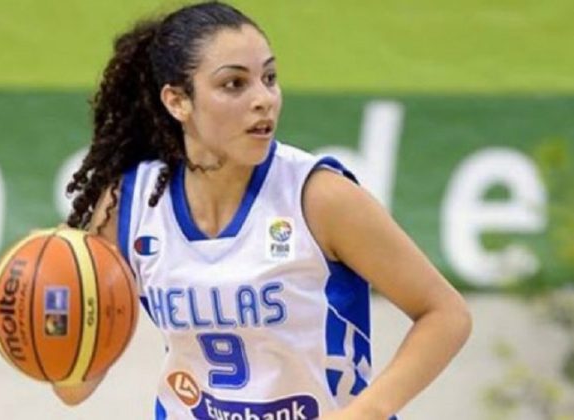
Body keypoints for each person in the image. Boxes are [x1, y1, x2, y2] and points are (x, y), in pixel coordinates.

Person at [57, 2, 472, 419]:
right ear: (178, 101)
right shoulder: (130, 205)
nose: (263, 100)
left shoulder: (319, 197)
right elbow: (74, 386)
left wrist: (366, 412)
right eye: (234, 84)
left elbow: (445, 314)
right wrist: (50, 317)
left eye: (269, 78)